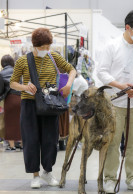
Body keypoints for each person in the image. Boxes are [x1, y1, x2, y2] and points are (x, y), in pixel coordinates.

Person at [10, 28, 76, 189]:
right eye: (43, 47)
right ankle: (35, 175)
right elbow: (12, 83)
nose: (46, 50)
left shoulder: (53, 57)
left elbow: (72, 70)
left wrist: (68, 85)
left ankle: (47, 171)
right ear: (35, 45)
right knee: (31, 140)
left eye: (48, 47)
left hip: (49, 104)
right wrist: (25, 87)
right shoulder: (23, 61)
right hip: (29, 104)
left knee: (50, 140)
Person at [97, 10, 133, 193]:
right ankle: (110, 178)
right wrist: (121, 85)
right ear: (128, 28)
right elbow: (102, 72)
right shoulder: (112, 46)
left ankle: (132, 178)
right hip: (114, 104)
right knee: (112, 142)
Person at [0, 55, 22, 151]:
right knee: (21, 121)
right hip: (21, 98)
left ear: (2, 63)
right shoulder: (17, 71)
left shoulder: (1, 73)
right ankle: (22, 144)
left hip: (10, 99)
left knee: (9, 122)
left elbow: (1, 89)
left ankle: (12, 146)